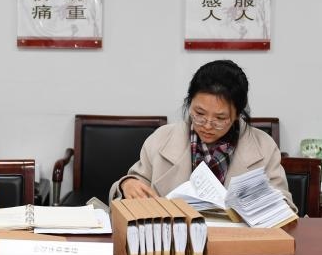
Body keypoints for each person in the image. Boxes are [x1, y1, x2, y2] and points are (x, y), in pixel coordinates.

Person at [110, 59, 297, 214]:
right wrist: (127, 184)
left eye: (220, 118)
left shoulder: (264, 147)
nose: (207, 125)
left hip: (237, 243)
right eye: (199, 114)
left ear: (237, 114)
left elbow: (284, 207)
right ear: (189, 103)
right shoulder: (161, 139)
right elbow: (135, 184)